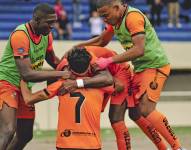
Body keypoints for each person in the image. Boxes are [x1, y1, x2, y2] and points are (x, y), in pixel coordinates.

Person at [71, 0, 183, 149]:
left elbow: (139, 50)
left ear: (117, 7)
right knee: (135, 114)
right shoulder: (115, 20)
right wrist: (78, 46)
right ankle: (163, 148)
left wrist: (108, 61)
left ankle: (177, 147)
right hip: (139, 68)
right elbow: (101, 40)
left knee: (146, 109)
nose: (104, 19)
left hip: (155, 65)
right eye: (101, 16)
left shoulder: (133, 17)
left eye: (106, 15)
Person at [0, 3, 74, 150]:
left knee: (26, 135)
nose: (52, 26)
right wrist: (62, 74)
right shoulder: (20, 35)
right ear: (37, 19)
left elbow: (53, 60)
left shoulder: (47, 35)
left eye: (54, 22)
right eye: (49, 22)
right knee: (8, 130)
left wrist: (69, 68)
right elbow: (27, 74)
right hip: (7, 83)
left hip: (24, 87)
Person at [63, 46, 168, 150]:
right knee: (135, 114)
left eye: (85, 72)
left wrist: (79, 81)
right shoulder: (66, 62)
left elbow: (112, 81)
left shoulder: (92, 60)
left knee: (116, 118)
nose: (82, 75)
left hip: (120, 73)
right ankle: (163, 148)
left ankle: (168, 147)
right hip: (107, 75)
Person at [20, 48, 115, 150]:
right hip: (92, 144)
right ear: (89, 67)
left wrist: (22, 79)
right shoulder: (102, 86)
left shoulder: (61, 85)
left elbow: (28, 99)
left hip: (66, 143)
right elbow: (118, 85)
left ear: (69, 66)